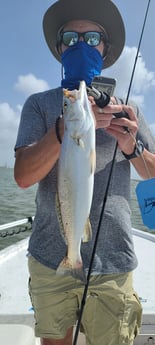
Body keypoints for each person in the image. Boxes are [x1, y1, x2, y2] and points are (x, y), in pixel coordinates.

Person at [14, 0, 155, 344]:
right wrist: (63, 130)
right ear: (60, 47)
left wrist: (131, 145)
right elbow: (22, 176)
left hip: (114, 260)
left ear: (105, 49)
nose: (81, 45)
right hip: (51, 258)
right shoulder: (39, 105)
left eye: (92, 38)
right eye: (71, 38)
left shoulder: (128, 109)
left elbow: (152, 173)